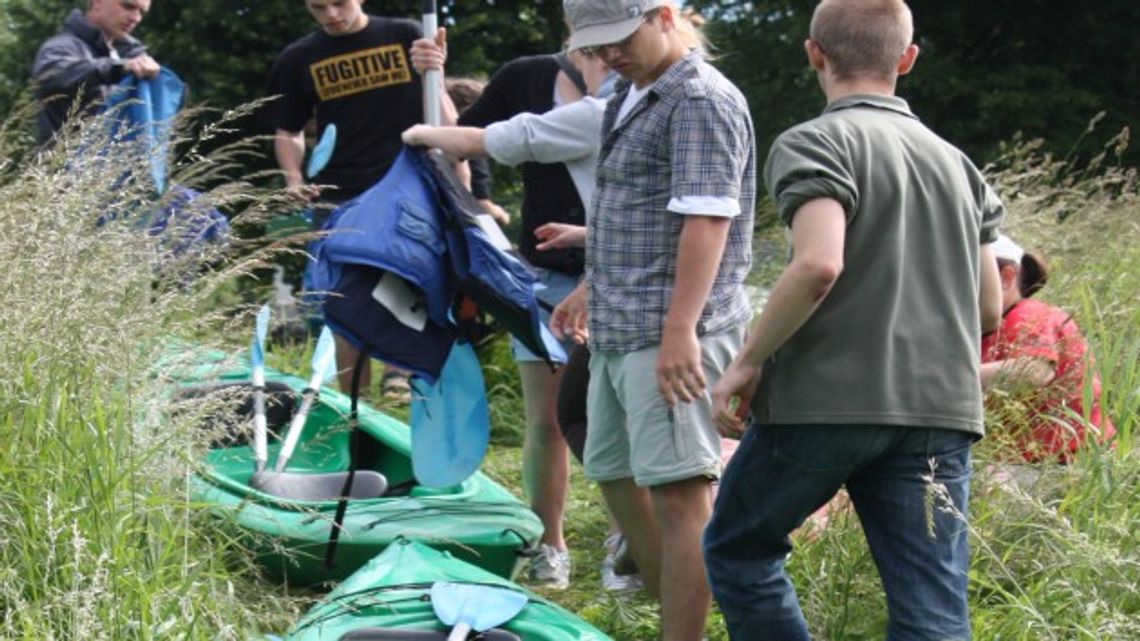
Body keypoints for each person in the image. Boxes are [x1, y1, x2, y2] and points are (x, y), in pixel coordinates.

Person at [701, 1, 1005, 639]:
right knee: (932, 610)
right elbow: (988, 308)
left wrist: (747, 361)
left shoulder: (814, 143)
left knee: (739, 547)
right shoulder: (959, 165)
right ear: (907, 59)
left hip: (823, 404)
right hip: (939, 411)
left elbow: (817, 265)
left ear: (814, 53)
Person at [551, 0, 755, 636]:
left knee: (678, 496)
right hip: (619, 319)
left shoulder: (699, 98)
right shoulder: (630, 89)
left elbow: (706, 220)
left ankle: (684, 632)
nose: (609, 54)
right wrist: (591, 283)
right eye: (594, 43)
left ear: (664, 15)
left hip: (672, 330)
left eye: (619, 37)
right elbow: (636, 208)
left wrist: (679, 333)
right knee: (611, 469)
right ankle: (677, 613)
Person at [407, 39, 595, 591]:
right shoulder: (527, 76)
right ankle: (550, 545)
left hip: (629, 269)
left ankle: (630, 538)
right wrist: (435, 79)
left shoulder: (645, 81)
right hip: (545, 273)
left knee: (623, 417)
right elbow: (461, 143)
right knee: (549, 418)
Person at [268, 0, 456, 400]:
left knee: (408, 278)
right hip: (338, 192)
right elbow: (288, 130)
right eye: (319, 8)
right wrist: (292, 177)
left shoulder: (405, 35)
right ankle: (353, 399)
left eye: (340, 3)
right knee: (341, 298)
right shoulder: (298, 58)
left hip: (407, 182)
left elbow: (449, 125)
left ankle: (400, 375)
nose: (332, 15)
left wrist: (432, 71)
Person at [981, 234, 1115, 463]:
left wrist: (949, 378)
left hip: (1068, 463)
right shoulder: (989, 326)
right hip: (1031, 462)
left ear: (1006, 277)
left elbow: (1034, 371)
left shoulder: (1031, 315)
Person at [32, 0, 161, 145]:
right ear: (97, 2)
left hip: (120, 163)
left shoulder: (132, 55)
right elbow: (54, 76)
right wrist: (116, 68)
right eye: (128, 6)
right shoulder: (60, 48)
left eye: (141, 12)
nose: (136, 18)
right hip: (64, 162)